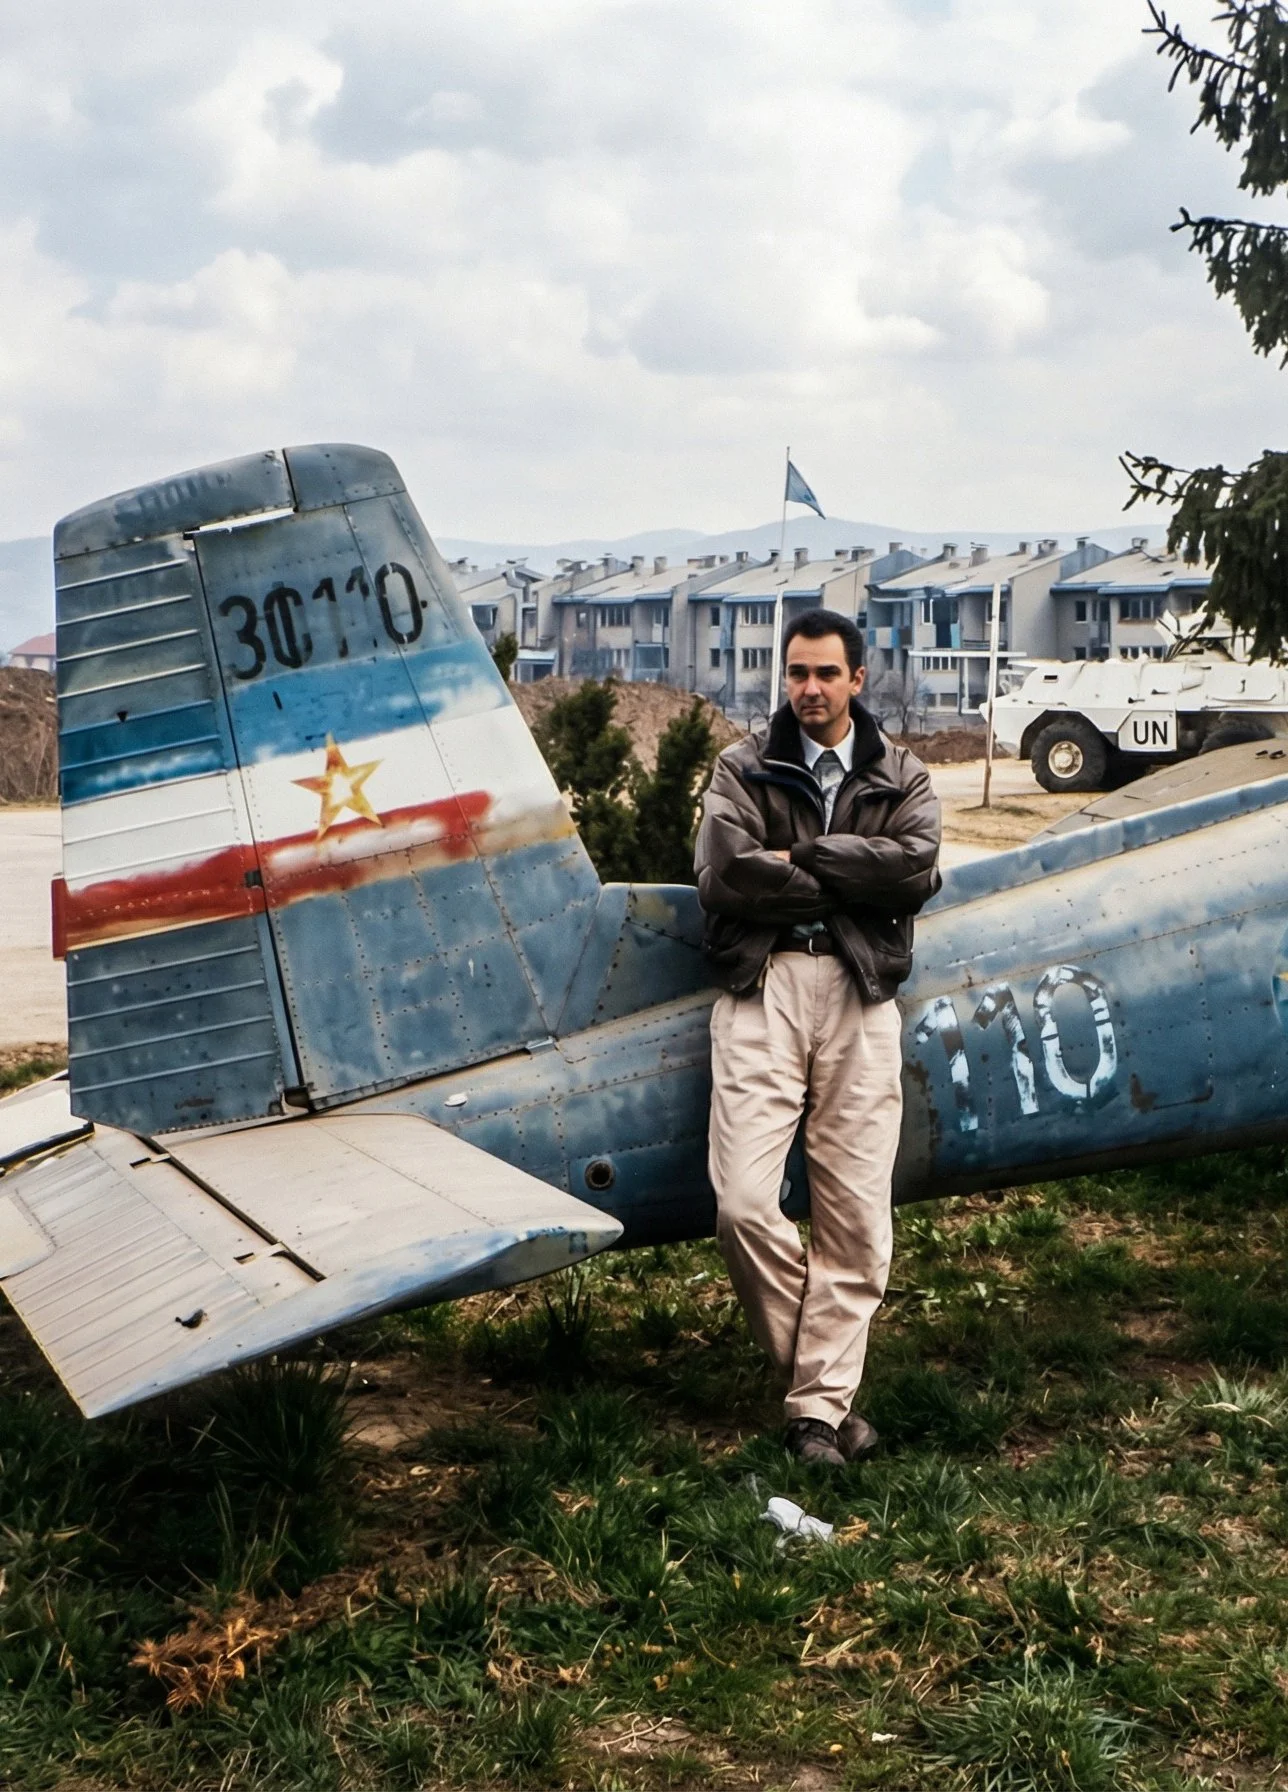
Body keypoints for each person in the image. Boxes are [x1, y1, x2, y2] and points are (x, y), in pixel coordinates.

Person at [694, 608, 942, 1468]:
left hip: (861, 993)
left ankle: (812, 1419)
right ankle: (830, 1402)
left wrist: (799, 861)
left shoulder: (900, 773)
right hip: (764, 988)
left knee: (857, 1223)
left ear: (857, 681)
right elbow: (726, 876)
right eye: (796, 674)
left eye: (825, 675)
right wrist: (849, 869)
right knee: (742, 1205)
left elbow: (914, 870)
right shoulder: (740, 767)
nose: (808, 689)